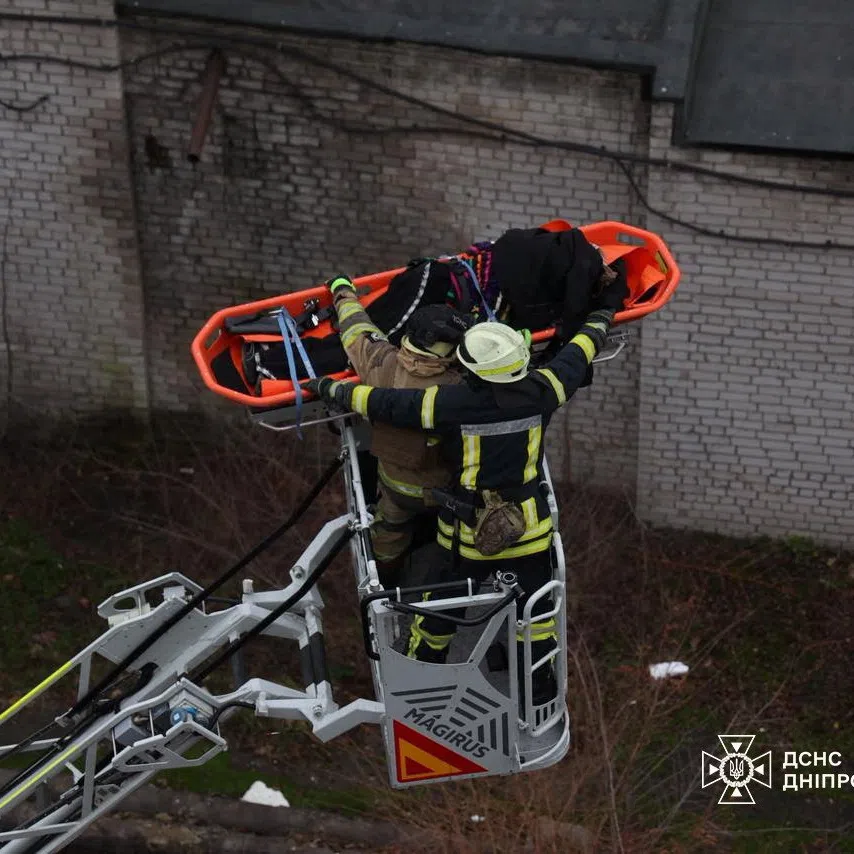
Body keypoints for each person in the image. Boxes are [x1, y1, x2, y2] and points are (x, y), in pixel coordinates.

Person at [307, 267, 629, 705]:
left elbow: (385, 402)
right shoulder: (546, 388)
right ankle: (539, 689)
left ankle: (424, 677)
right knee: (536, 617)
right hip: (528, 531)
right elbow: (580, 350)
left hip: (464, 535)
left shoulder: (455, 402)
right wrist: (607, 305)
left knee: (440, 611)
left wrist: (330, 389)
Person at [324, 274, 471, 584]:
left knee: (389, 536)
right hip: (442, 495)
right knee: (453, 544)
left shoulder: (381, 363)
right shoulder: (459, 390)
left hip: (393, 489)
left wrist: (342, 291)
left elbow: (356, 328)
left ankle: (387, 581)